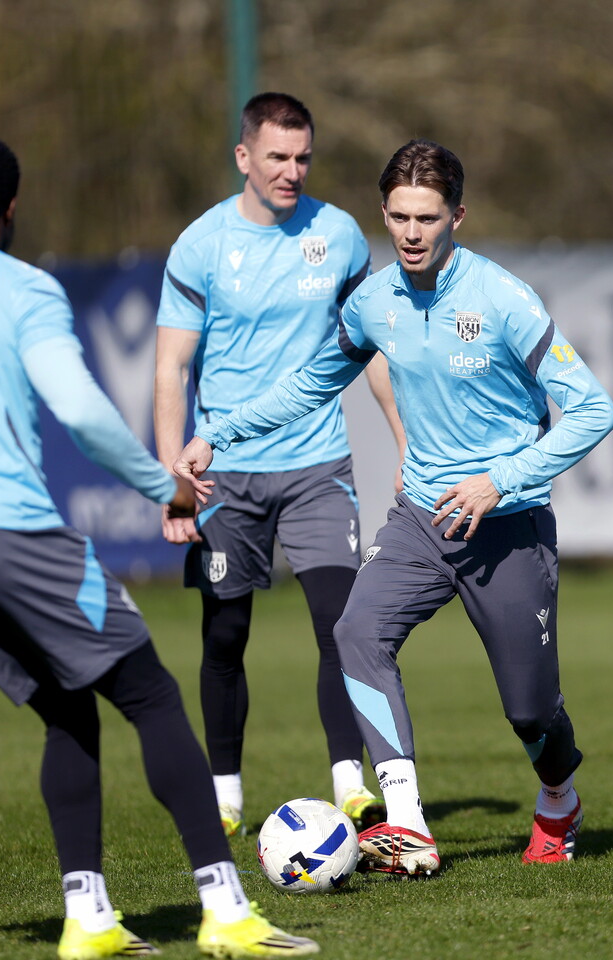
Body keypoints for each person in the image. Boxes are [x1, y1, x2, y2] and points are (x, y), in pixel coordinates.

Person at [0, 133, 317, 959]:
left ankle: (88, 920)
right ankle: (226, 911)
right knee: (152, 696)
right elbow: (85, 414)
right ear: (13, 208)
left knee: (66, 705)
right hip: (9, 533)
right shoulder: (23, 287)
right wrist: (162, 484)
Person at [172, 139, 613, 874]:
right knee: (355, 632)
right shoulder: (373, 301)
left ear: (458, 217)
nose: (412, 233)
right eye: (400, 217)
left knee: (530, 712)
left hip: (506, 528)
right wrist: (216, 433)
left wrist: (500, 480)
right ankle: (407, 823)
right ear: (383, 213)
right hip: (419, 519)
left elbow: (593, 411)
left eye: (428, 218)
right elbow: (310, 383)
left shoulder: (502, 299)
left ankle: (559, 798)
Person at [154, 92, 404, 838]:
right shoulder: (200, 246)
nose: (292, 171)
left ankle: (349, 786)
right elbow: (170, 368)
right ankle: (225, 794)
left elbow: (372, 351)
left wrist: (402, 442)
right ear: (244, 158)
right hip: (223, 475)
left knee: (342, 624)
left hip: (318, 464)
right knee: (225, 633)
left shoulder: (340, 236)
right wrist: (174, 486)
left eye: (303, 158)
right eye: (277, 157)